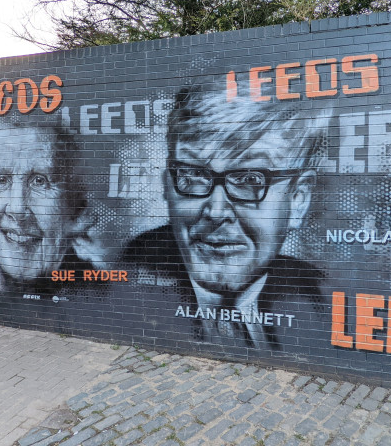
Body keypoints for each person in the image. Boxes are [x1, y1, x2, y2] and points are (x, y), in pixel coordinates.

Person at [120, 84, 331, 351]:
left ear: (298, 200)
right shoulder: (116, 287)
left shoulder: (320, 299)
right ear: (167, 188)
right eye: (193, 176)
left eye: (249, 180)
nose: (216, 212)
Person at [0, 118, 93, 296]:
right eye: (2, 180)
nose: (17, 209)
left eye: (39, 181)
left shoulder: (102, 300)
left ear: (76, 209)